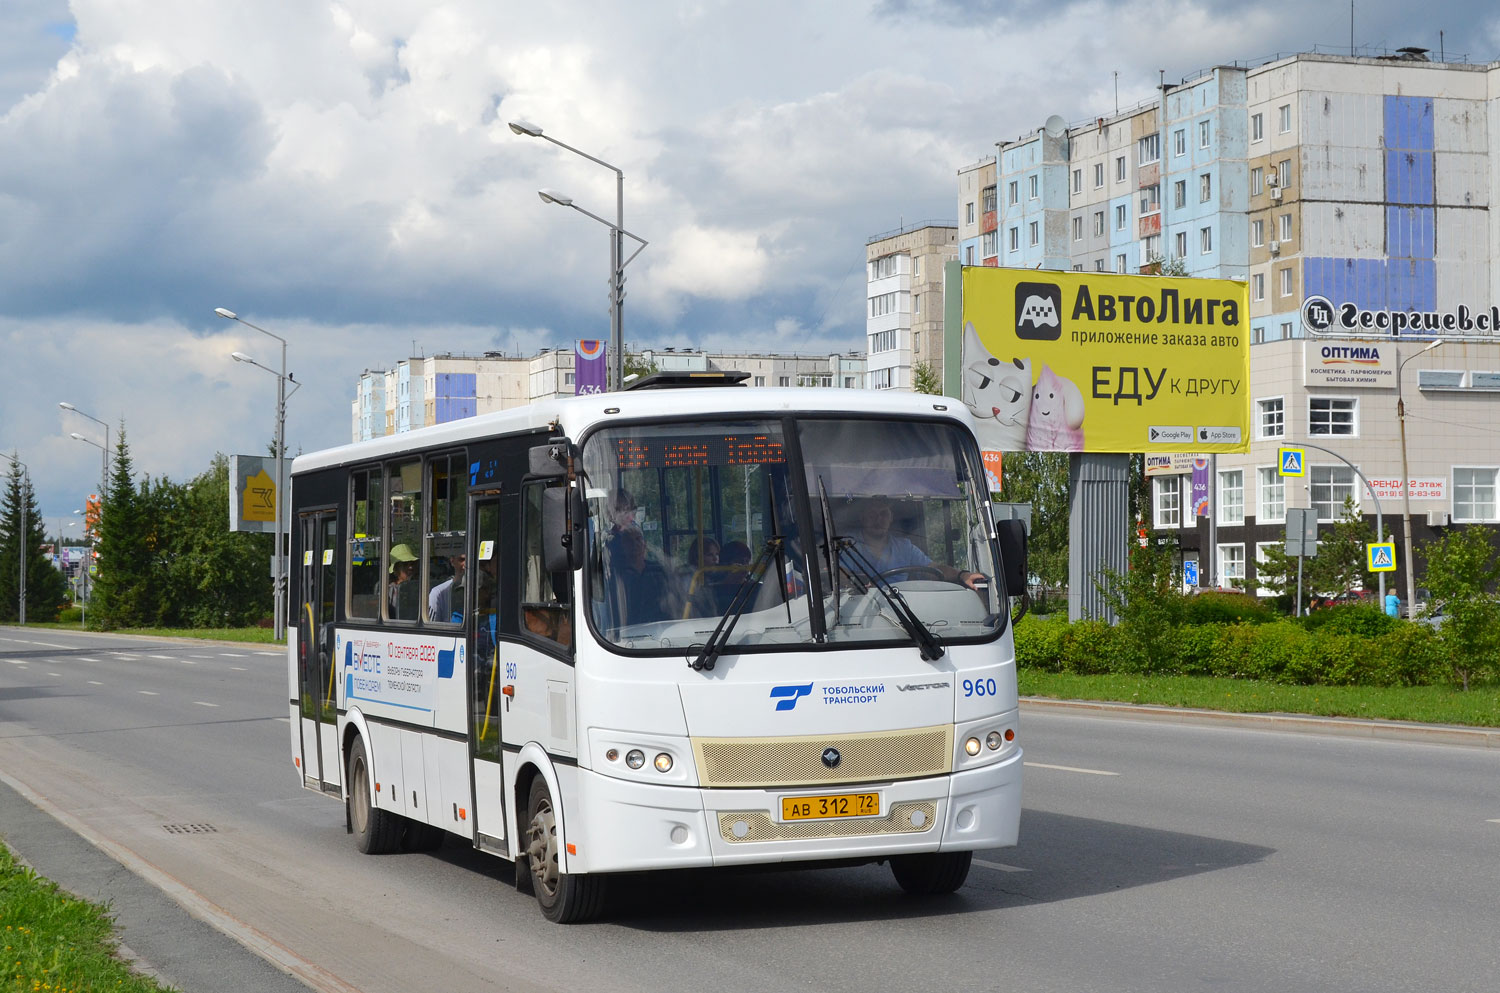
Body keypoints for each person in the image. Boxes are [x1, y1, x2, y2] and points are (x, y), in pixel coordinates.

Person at [846, 497, 984, 590]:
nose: (878, 520)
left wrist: (963, 575)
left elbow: (934, 568)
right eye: (872, 514)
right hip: (863, 613)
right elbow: (840, 574)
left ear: (891, 518)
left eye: (884, 514)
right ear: (862, 517)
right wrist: (853, 584)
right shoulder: (847, 545)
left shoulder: (904, 547)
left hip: (902, 610)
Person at [429, 553, 466, 622]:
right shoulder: (438, 593)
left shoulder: (483, 589)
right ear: (452, 561)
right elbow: (430, 627)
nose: (466, 565)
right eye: (462, 560)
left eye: (471, 560)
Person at [388, 543, 419, 619]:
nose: (410, 567)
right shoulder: (388, 590)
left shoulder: (419, 586)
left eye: (412, 563)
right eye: (405, 564)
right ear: (396, 569)